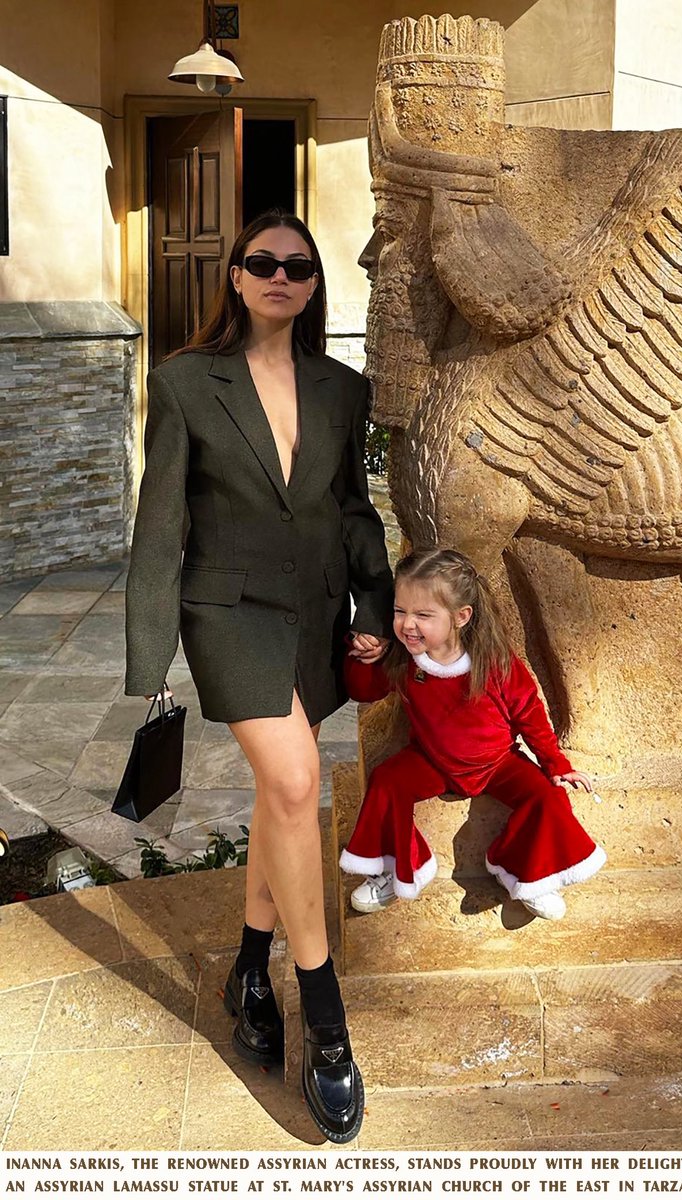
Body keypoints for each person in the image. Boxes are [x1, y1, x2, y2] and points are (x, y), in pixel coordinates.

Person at [124, 209, 392, 1144]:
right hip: (226, 611)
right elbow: (160, 523)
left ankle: (246, 967)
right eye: (262, 263)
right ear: (236, 278)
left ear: (314, 286)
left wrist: (372, 606)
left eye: (299, 266)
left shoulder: (341, 389)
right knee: (291, 781)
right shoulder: (186, 383)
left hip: (314, 618)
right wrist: (148, 657)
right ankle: (323, 1017)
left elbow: (353, 510)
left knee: (282, 802)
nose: (280, 276)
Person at [340, 548, 606, 920]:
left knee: (548, 798)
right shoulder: (404, 658)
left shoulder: (494, 662)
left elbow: (529, 714)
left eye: (423, 615)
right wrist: (363, 652)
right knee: (386, 781)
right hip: (432, 762)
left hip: (498, 763)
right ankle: (396, 869)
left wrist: (555, 763)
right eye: (400, 612)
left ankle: (529, 874)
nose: (407, 624)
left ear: (461, 617)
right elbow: (364, 690)